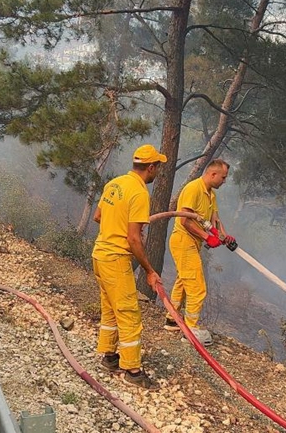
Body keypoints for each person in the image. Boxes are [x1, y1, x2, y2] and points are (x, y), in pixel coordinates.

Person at [91, 144, 165, 390]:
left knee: (110, 308)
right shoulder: (140, 193)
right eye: (157, 168)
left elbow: (98, 217)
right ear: (150, 167)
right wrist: (149, 270)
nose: (157, 173)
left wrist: (117, 223)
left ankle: (110, 357)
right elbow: (134, 238)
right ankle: (133, 370)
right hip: (115, 258)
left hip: (99, 254)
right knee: (129, 313)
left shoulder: (114, 183)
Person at [163, 159, 235, 346]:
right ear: (213, 174)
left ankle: (172, 320)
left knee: (183, 280)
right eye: (223, 177)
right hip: (182, 241)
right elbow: (185, 220)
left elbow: (215, 220)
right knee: (197, 286)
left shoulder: (210, 194)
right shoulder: (193, 189)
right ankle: (191, 328)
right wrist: (206, 236)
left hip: (192, 243)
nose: (224, 181)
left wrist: (225, 236)